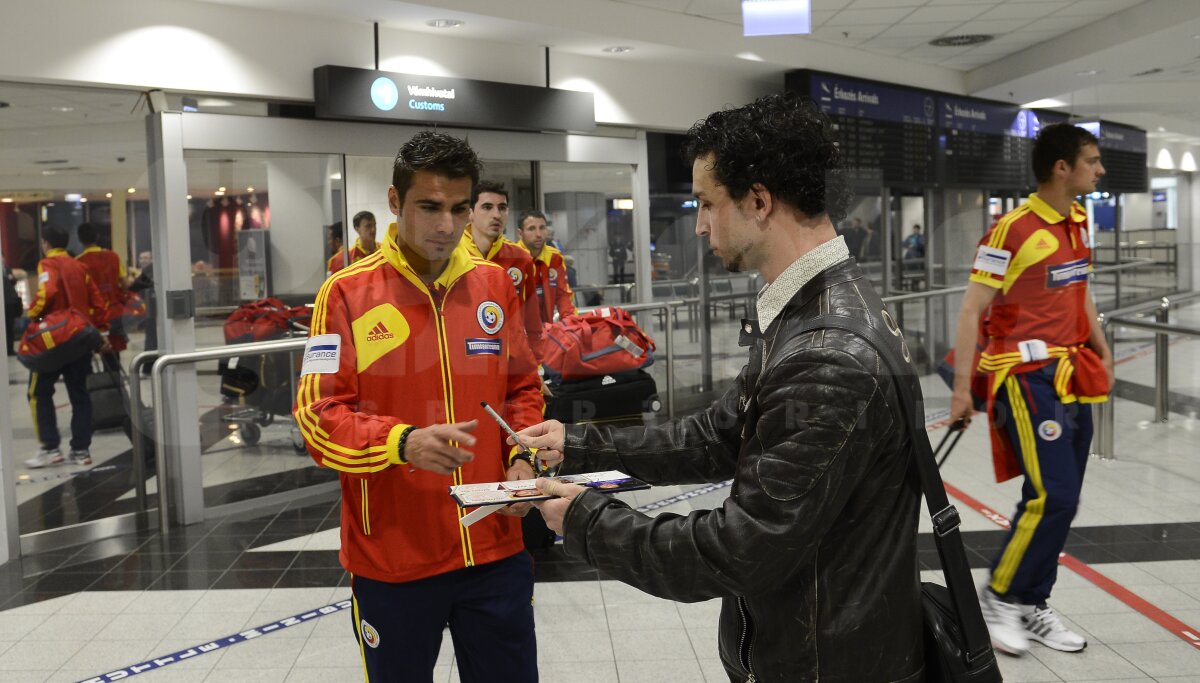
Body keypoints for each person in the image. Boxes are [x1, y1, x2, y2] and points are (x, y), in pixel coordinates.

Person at [516, 92, 923, 682]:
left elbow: (741, 547)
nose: (700, 222)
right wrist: (577, 443)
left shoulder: (829, 353)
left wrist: (585, 519)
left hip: (825, 663)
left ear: (759, 200)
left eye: (707, 202)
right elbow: (718, 436)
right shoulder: (817, 310)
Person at [293, 131, 544, 683]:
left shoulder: (495, 285)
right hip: (393, 561)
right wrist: (400, 442)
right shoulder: (344, 294)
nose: (445, 226)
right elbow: (316, 417)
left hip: (494, 549)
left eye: (459, 209)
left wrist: (524, 455)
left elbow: (523, 388)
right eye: (428, 207)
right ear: (393, 202)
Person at [949, 122, 1111, 657]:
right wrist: (960, 390)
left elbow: (1080, 291)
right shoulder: (1010, 231)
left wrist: (1101, 347)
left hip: (1072, 377)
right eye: (1092, 160)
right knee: (1054, 493)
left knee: (1057, 499)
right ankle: (998, 596)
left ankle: (1031, 601)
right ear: (1061, 168)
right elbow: (972, 307)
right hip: (1023, 377)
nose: (1100, 169)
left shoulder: (1078, 220)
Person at [24, 224, 108, 468]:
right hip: (79, 339)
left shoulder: (47, 264)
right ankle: (81, 450)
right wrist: (100, 330)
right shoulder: (80, 266)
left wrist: (33, 313)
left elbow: (47, 292)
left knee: (38, 392)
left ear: (45, 244)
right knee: (80, 394)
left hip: (52, 341)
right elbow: (98, 303)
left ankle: (50, 448)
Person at [461, 180, 544, 361]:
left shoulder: (520, 258)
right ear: (470, 213)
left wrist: (536, 363)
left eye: (502, 208)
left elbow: (532, 320)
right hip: (463, 358)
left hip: (511, 360)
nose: (496, 215)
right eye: (487, 207)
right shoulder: (452, 255)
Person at [75, 222, 128, 356]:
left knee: (87, 355)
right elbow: (125, 283)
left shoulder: (78, 262)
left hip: (91, 316)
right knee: (113, 355)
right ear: (97, 237)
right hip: (114, 311)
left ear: (80, 240)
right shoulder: (113, 257)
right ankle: (115, 378)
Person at [516, 210, 575, 325]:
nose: (538, 234)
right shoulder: (510, 259)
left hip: (546, 331)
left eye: (542, 228)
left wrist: (571, 324)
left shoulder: (555, 258)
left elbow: (563, 297)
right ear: (520, 233)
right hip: (517, 333)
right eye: (531, 229)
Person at [127, 251, 156, 354]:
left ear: (152, 259)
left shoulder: (151, 272)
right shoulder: (144, 272)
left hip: (152, 312)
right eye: (141, 258)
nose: (143, 260)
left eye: (146, 258)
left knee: (152, 339)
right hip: (147, 311)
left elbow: (136, 286)